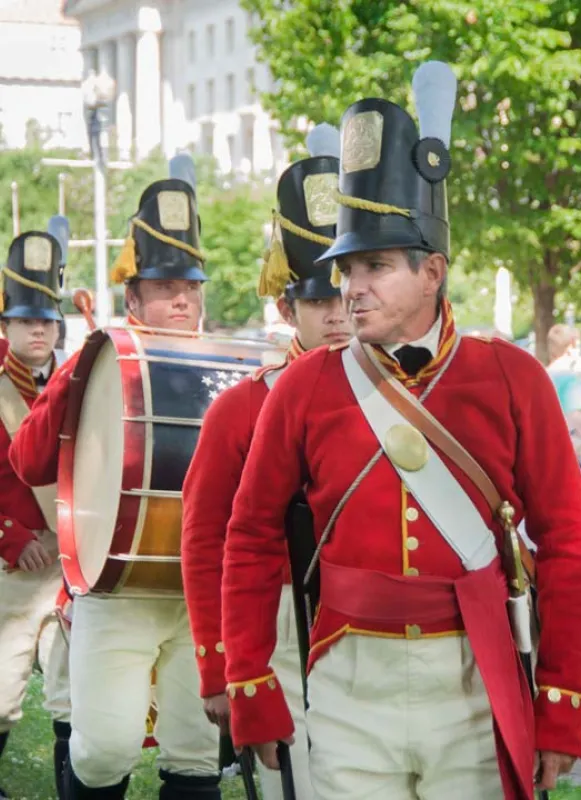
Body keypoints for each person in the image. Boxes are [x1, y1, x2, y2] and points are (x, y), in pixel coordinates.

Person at [220, 62, 581, 800]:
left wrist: (560, 701)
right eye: (347, 268)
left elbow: (568, 542)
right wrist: (249, 678)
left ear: (432, 272)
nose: (351, 288)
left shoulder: (512, 378)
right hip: (349, 678)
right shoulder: (302, 386)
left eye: (376, 266)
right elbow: (251, 534)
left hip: (476, 675)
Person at [10, 159, 222, 800]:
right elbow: (29, 462)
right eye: (163, 285)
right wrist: (78, 379)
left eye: (191, 283)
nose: (182, 297)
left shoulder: (226, 366)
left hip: (196, 594)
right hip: (113, 584)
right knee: (103, 749)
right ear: (134, 298)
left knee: (197, 753)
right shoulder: (95, 362)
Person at [181, 125, 351, 800]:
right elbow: (207, 542)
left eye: (346, 292)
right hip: (279, 620)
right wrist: (219, 666)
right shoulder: (240, 409)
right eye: (317, 300)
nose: (337, 313)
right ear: (286, 307)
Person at [0, 226, 71, 799]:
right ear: (6, 326)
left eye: (47, 320)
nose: (39, 330)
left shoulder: (77, 383)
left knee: (72, 692)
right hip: (14, 568)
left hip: (68, 562)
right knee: (1, 695)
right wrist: (14, 536)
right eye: (27, 321)